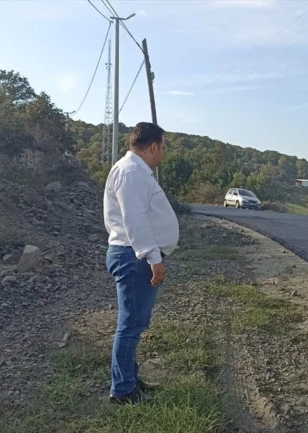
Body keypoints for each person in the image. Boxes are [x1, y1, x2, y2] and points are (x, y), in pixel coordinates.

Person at [103, 122, 179, 404]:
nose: (163, 153)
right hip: (134, 256)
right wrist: (154, 258)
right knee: (131, 325)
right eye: (163, 147)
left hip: (134, 255)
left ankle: (129, 379)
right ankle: (122, 390)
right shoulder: (132, 172)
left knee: (133, 322)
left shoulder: (134, 170)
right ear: (153, 146)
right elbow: (136, 221)